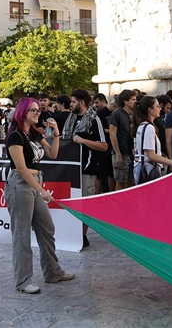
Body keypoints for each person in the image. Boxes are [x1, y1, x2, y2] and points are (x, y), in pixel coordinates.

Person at [4, 98, 74, 294]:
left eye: (38, 110)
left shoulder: (33, 133)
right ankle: (23, 280)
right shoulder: (15, 136)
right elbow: (21, 168)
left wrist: (57, 134)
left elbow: (52, 153)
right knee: (22, 235)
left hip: (34, 185)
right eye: (33, 110)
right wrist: (41, 190)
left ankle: (53, 272)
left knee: (47, 228)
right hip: (20, 186)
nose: (37, 113)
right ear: (22, 113)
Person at [63, 89, 108, 248]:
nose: (71, 104)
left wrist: (82, 140)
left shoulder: (94, 120)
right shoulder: (70, 119)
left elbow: (103, 146)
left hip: (87, 169)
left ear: (81, 102)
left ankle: (82, 236)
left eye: (73, 101)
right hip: (71, 169)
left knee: (85, 205)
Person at [132, 96, 172, 184]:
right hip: (148, 170)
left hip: (142, 168)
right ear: (150, 110)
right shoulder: (149, 127)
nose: (160, 108)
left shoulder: (142, 125)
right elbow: (151, 155)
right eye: (157, 106)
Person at [109, 90, 137, 190]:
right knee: (121, 183)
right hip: (121, 153)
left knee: (130, 182)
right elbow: (112, 134)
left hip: (130, 153)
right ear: (125, 101)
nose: (135, 101)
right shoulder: (117, 114)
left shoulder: (132, 114)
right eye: (133, 100)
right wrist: (118, 154)